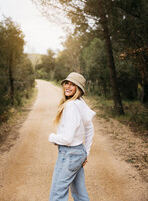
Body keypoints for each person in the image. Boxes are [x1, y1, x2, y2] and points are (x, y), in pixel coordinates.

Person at [49, 72, 96, 201]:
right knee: (80, 194)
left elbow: (68, 138)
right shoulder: (79, 103)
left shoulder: (70, 106)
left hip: (69, 154)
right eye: (67, 83)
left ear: (79, 89)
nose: (68, 87)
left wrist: (52, 137)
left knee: (57, 195)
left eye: (73, 85)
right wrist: (85, 151)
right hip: (78, 152)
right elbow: (90, 128)